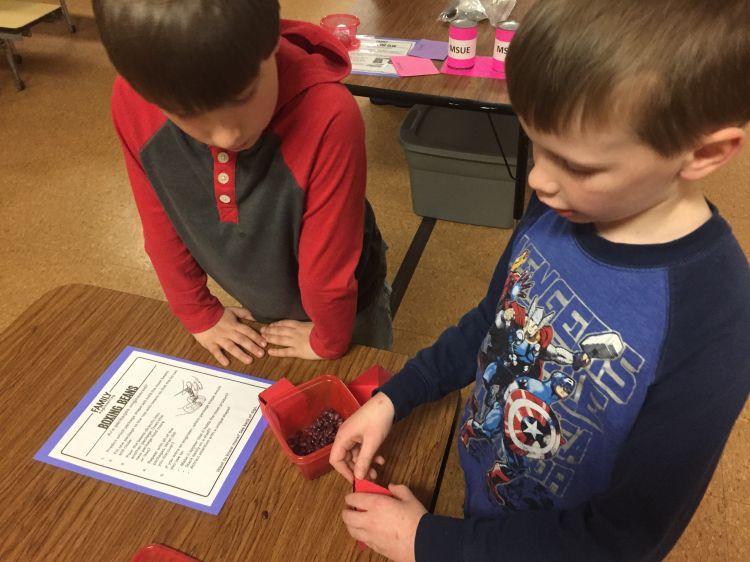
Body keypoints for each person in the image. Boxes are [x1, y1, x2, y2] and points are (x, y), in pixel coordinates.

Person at [329, 0, 750, 559]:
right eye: (535, 143)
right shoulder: (563, 205)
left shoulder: (716, 317)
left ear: (705, 151)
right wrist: (393, 398)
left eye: (575, 164)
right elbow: (493, 320)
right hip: (488, 503)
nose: (538, 181)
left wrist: (428, 542)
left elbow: (622, 537)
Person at [92, 0, 391, 366]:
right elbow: (160, 222)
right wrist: (199, 313)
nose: (227, 135)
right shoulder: (132, 100)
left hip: (346, 307)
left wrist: (328, 337)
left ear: (271, 42)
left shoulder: (331, 115)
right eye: (189, 116)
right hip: (264, 293)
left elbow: (328, 267)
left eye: (243, 96)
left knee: (364, 372)